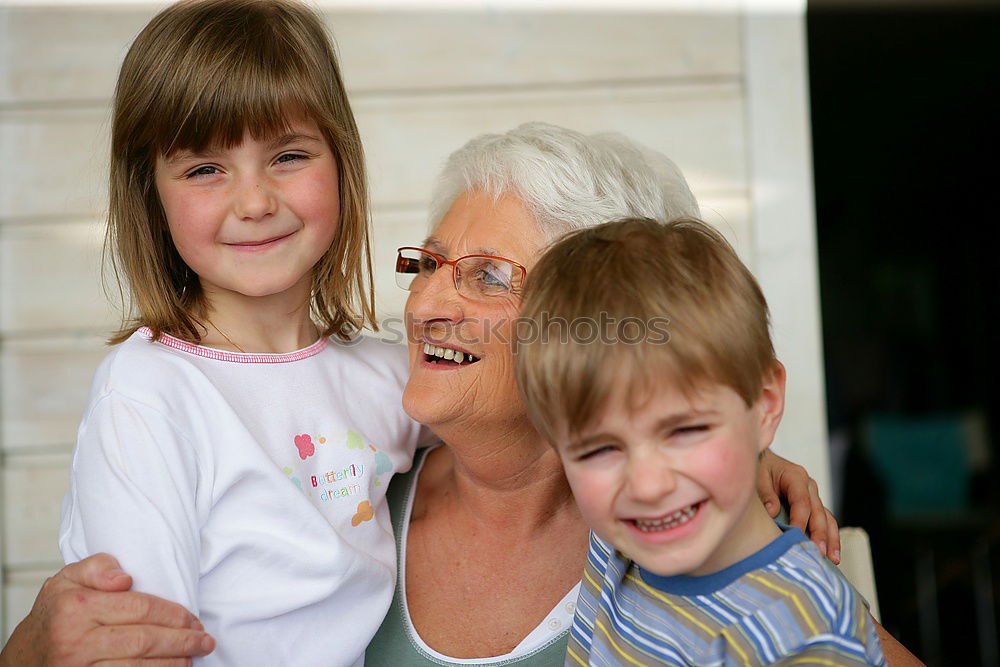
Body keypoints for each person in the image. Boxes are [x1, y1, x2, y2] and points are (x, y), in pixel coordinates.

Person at [2, 124, 915, 665]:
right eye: (429, 266)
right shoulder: (348, 493)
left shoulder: (679, 525)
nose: (425, 303)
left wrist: (736, 446)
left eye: (484, 276)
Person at [48, 0, 422, 665]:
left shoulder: (390, 376)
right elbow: (143, 643)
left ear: (340, 161)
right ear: (150, 197)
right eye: (204, 169)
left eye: (288, 156)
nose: (255, 202)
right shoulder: (149, 392)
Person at [515, 217, 886, 665]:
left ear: (764, 406)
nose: (648, 486)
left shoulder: (805, 636)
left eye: (685, 431)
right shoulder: (616, 540)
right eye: (600, 449)